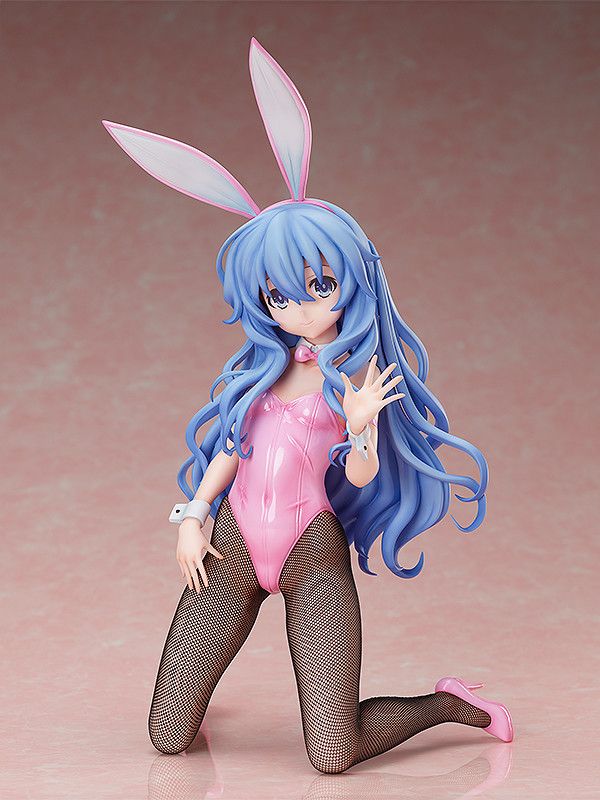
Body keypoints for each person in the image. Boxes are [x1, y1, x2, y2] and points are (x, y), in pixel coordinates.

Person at [103, 37, 513, 774]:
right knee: (167, 733)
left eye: (318, 287)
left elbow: (358, 477)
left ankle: (449, 705)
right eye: (277, 295)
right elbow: (231, 449)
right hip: (230, 548)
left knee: (332, 752)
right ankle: (196, 690)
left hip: (312, 557)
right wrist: (193, 517)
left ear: (350, 280)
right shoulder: (259, 370)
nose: (297, 308)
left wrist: (361, 430)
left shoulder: (354, 379)